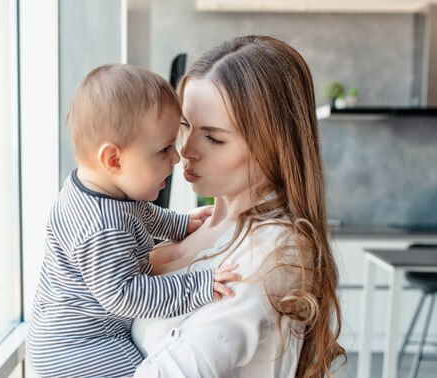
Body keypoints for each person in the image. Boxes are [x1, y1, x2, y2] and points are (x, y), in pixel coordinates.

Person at [131, 35, 346, 377]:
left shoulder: (278, 248)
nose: (186, 151)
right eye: (185, 126)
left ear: (273, 145)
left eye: (214, 138)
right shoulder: (194, 227)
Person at [26, 64, 240, 378]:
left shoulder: (101, 189)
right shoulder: (101, 226)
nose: (177, 157)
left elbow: (141, 214)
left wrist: (179, 225)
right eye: (165, 148)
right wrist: (200, 285)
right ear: (113, 159)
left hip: (66, 337)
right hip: (78, 348)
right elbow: (126, 295)